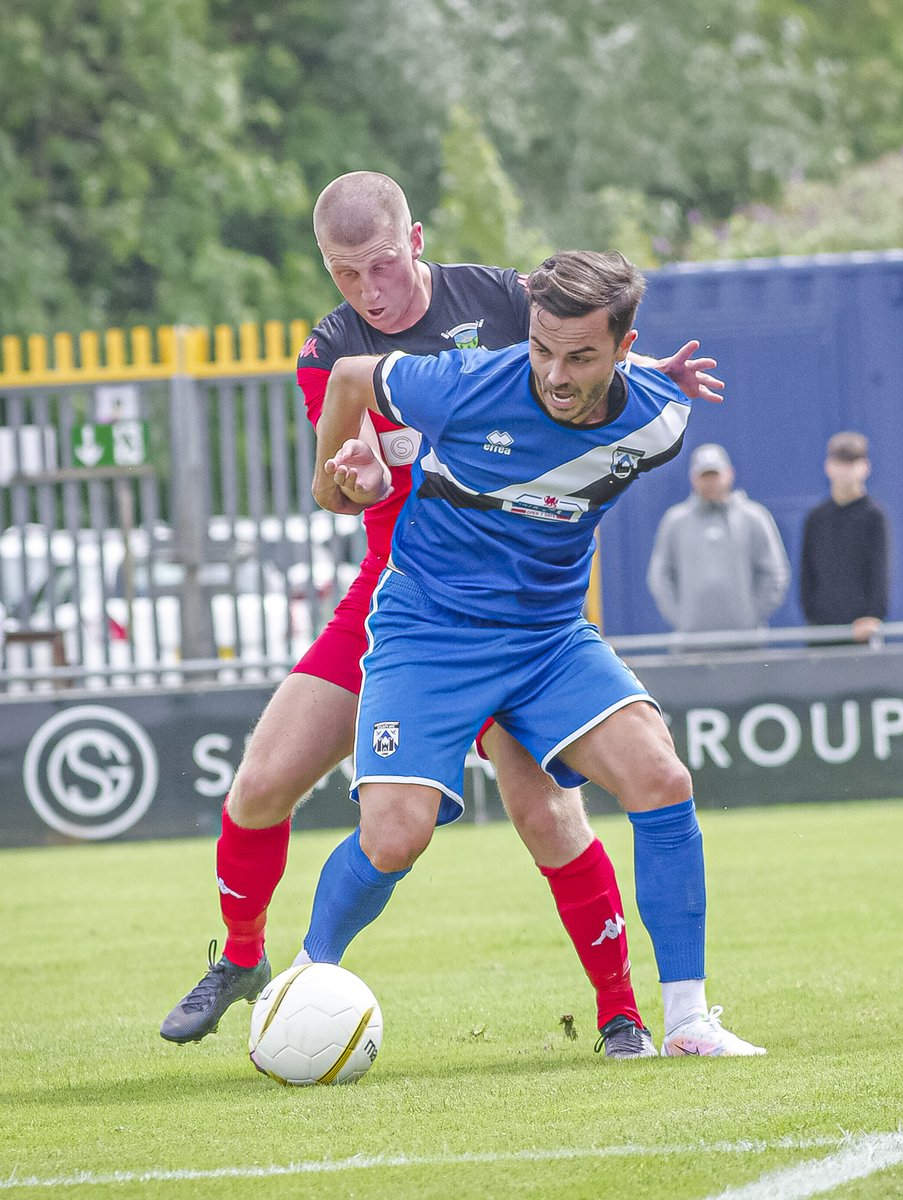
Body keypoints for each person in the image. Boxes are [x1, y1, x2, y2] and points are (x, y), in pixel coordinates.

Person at [161, 172, 722, 1060]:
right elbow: (351, 480)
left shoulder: (502, 297)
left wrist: (653, 371)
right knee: (265, 781)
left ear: (415, 240)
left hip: (525, 603)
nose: (366, 292)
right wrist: (351, 487)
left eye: (380, 266)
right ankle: (245, 963)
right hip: (404, 591)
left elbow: (574, 358)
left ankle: (625, 1014)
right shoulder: (331, 350)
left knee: (548, 815)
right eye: (344, 275)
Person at [302, 249, 764, 1057]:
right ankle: (303, 981)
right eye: (542, 347)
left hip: (548, 638)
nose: (552, 372)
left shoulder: (661, 418)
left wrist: (653, 370)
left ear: (624, 349)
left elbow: (642, 388)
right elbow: (345, 376)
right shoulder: (464, 382)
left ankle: (687, 1020)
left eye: (579, 355)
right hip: (431, 629)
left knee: (661, 776)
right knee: (394, 838)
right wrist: (332, 482)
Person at [647, 442, 790, 633]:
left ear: (729, 473)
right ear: (693, 478)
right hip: (691, 645)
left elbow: (775, 573)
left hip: (746, 644)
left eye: (715, 475)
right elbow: (659, 576)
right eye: (704, 476)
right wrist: (682, 619)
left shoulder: (754, 517)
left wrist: (750, 617)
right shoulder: (675, 521)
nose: (710, 482)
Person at [799, 430, 890, 643]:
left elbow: (880, 571)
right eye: (840, 462)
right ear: (828, 467)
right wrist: (812, 615)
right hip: (821, 630)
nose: (845, 470)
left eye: (852, 463)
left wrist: (872, 616)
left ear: (865, 467)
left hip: (861, 631)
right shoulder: (816, 518)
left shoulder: (874, 517)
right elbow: (807, 572)